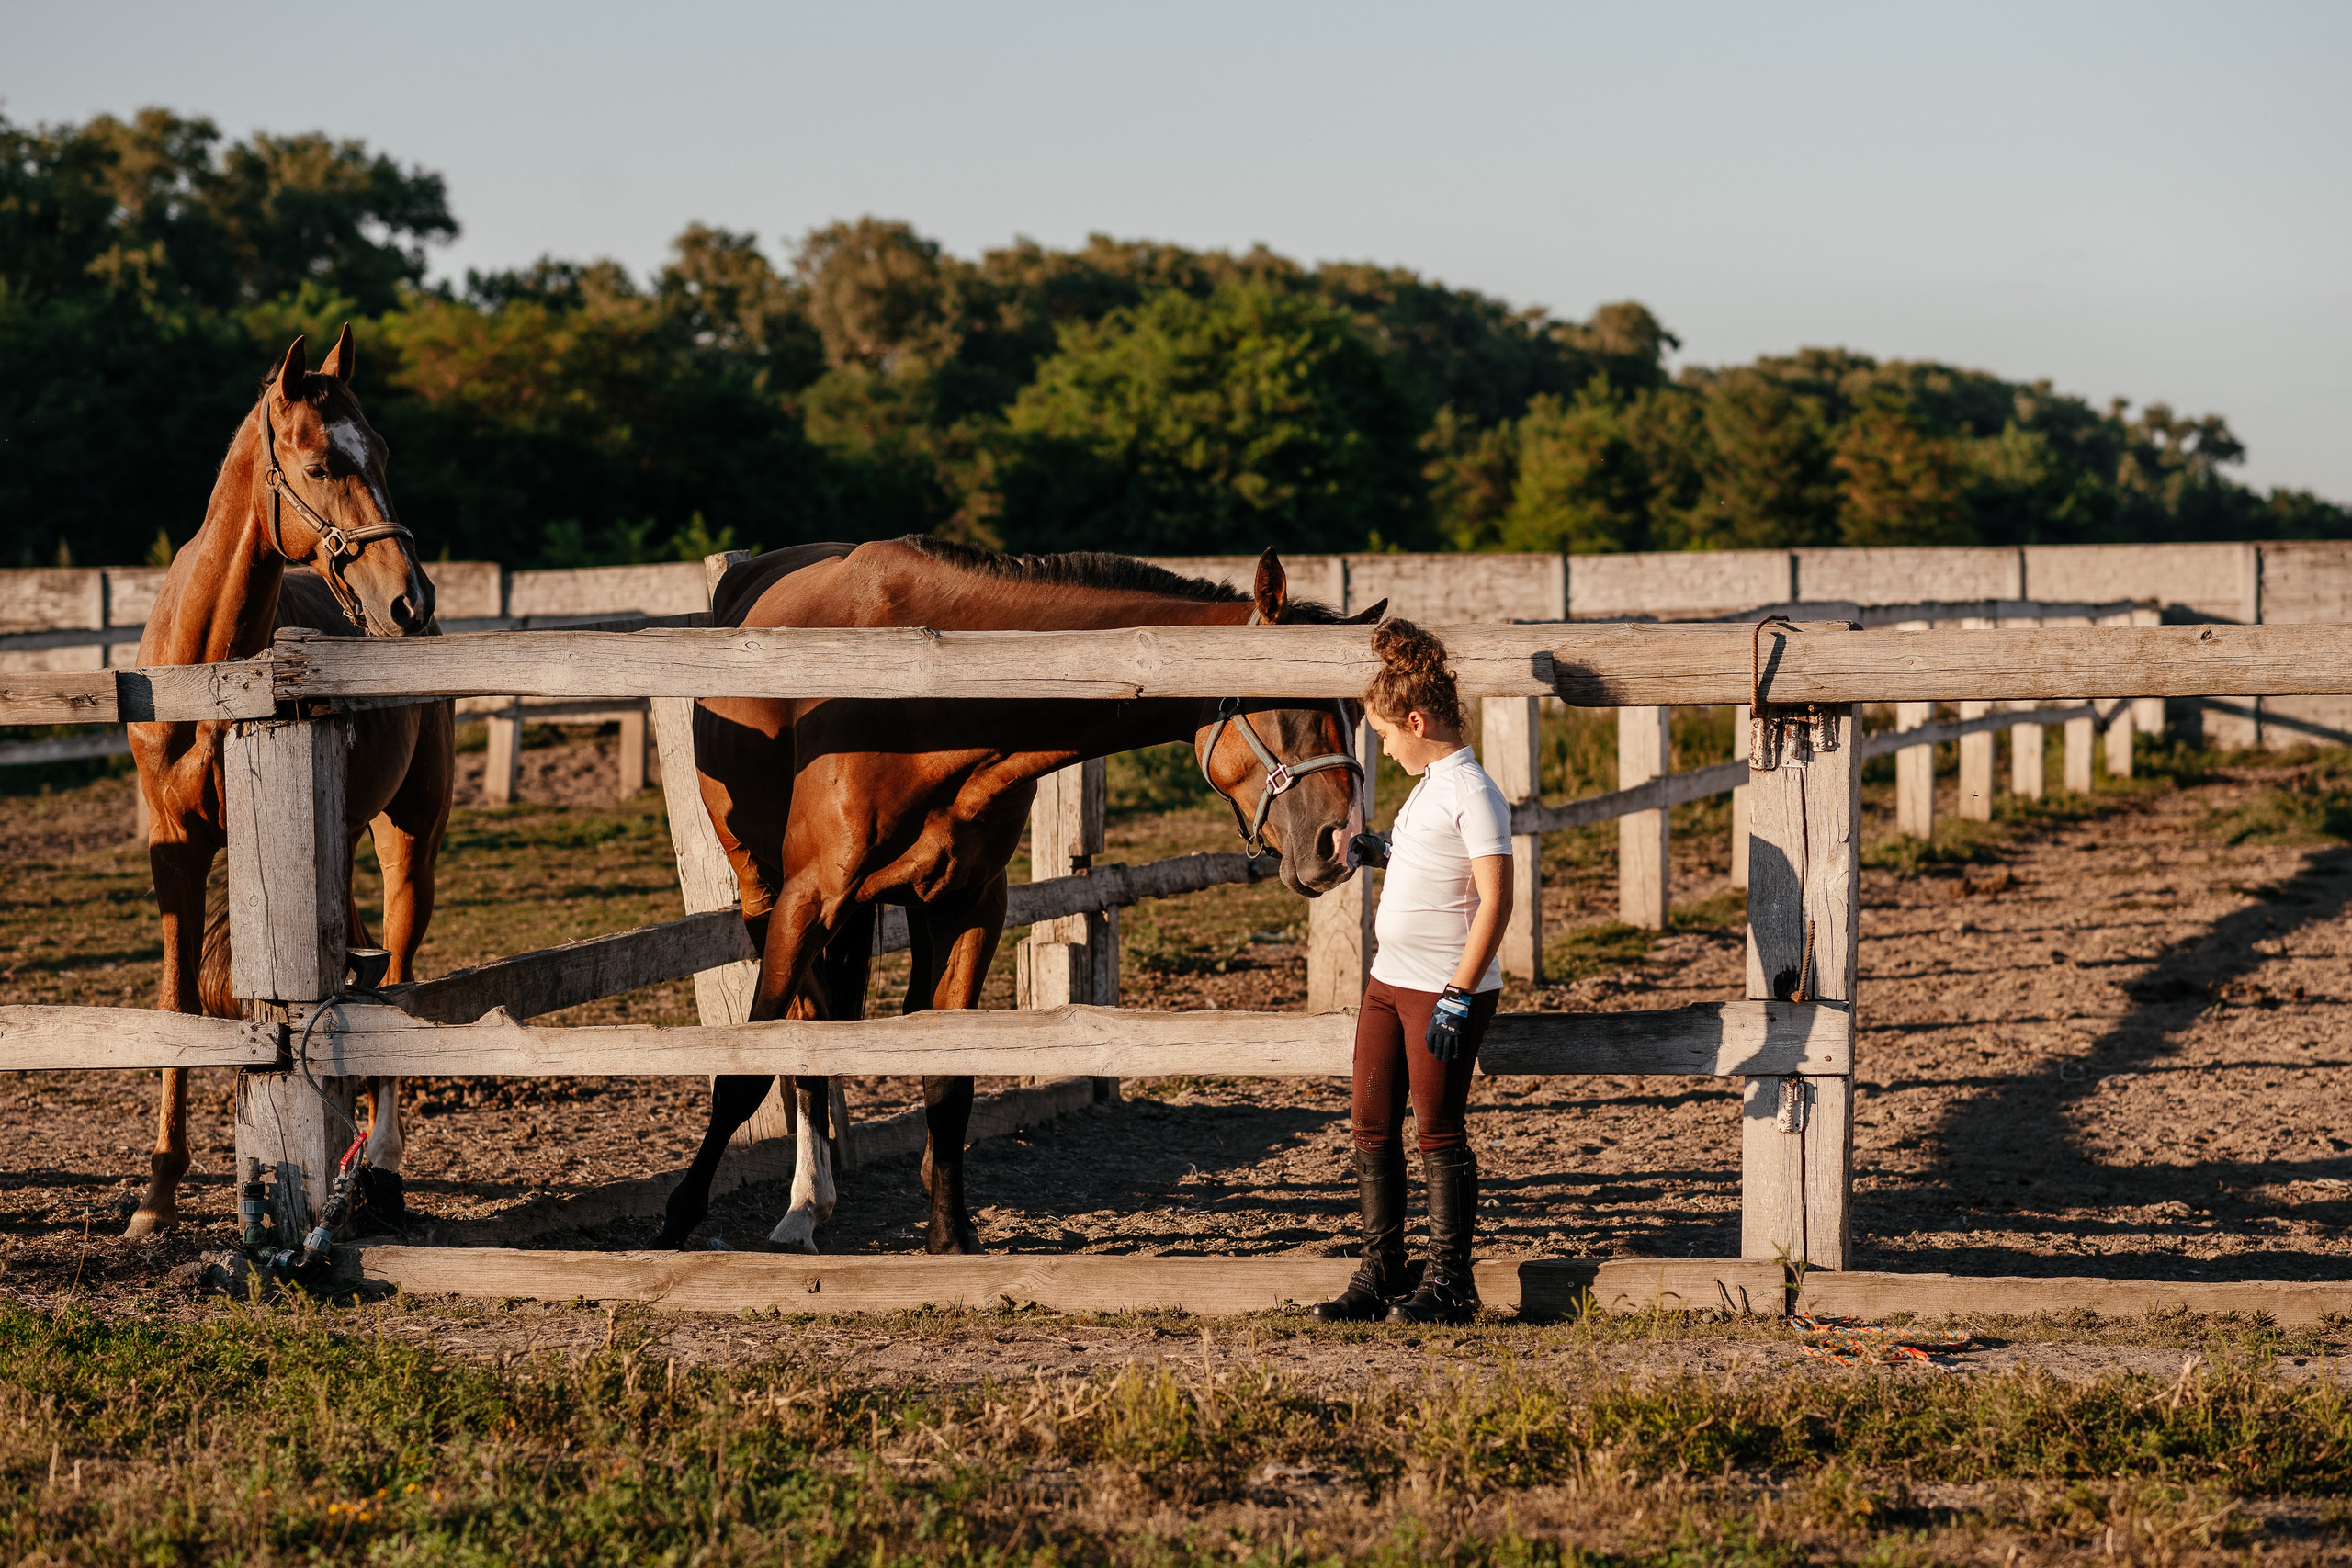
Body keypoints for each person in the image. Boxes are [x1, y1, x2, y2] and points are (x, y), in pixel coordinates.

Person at [1314, 618, 1514, 1325]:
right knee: (1369, 1122)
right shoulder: (1428, 784)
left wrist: (1460, 992)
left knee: (1436, 1128)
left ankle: (1451, 1281)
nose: (1385, 746)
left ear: (1418, 720)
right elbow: (1423, 858)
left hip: (1441, 990)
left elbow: (1497, 898)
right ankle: (1379, 1272)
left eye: (1386, 733)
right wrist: (1372, 847)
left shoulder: (1473, 791)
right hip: (1387, 982)